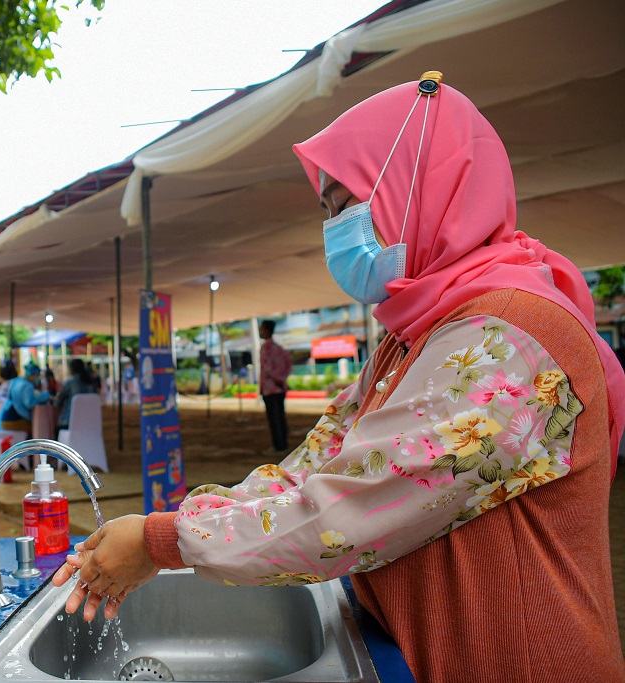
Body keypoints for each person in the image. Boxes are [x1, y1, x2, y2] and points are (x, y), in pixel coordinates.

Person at [53, 73, 625, 682]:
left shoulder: (510, 334)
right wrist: (167, 529)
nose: (333, 231)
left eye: (344, 206)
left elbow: (349, 507)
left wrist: (161, 540)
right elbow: (310, 469)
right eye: (326, 212)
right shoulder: (415, 337)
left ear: (417, 187)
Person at [258, 319, 292, 455]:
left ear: (266, 330)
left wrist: (277, 380)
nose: (260, 331)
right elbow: (288, 365)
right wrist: (282, 380)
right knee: (281, 416)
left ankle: (278, 446)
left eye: (262, 328)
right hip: (280, 388)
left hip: (270, 388)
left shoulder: (266, 348)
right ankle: (283, 443)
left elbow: (267, 368)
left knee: (274, 418)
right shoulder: (279, 349)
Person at [0, 361, 51, 434]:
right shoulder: (27, 385)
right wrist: (46, 396)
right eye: (37, 375)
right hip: (14, 420)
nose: (37, 378)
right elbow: (29, 403)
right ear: (32, 375)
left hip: (5, 419)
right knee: (37, 427)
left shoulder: (16, 381)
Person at [55, 358, 97, 431]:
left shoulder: (70, 384)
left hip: (69, 423)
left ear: (72, 369)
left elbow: (57, 403)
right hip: (89, 425)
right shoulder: (92, 384)